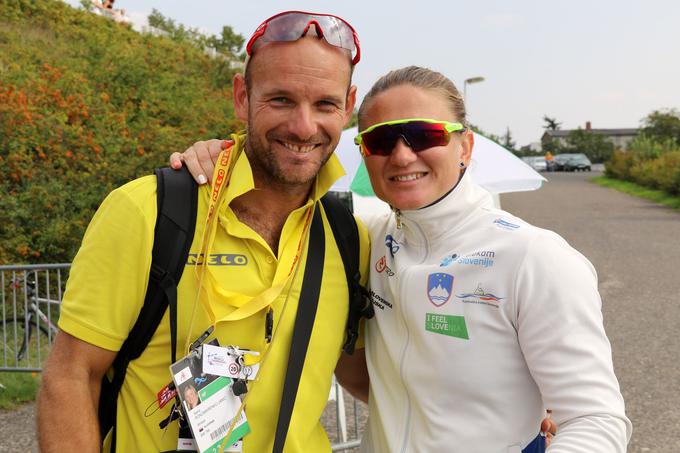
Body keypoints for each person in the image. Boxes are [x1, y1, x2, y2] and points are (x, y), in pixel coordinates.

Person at [176, 67, 631, 452]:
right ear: (365, 156)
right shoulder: (366, 233)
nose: (402, 154)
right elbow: (276, 187)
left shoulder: (533, 257)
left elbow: (596, 421)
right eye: (380, 140)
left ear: (465, 147)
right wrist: (220, 157)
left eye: (423, 135)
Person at [37, 11, 370, 452]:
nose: (304, 127)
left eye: (325, 104)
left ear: (347, 107)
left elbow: (367, 376)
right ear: (241, 96)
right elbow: (71, 377)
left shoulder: (349, 238)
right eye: (281, 100)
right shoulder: (147, 211)